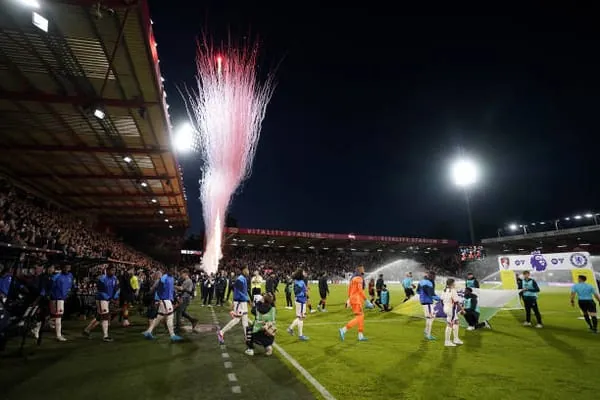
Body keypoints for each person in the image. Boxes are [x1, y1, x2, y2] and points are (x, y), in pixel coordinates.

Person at [142, 267, 183, 342]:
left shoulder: (171, 278)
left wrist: (175, 297)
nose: (174, 271)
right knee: (170, 316)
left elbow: (171, 289)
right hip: (165, 300)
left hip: (166, 299)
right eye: (172, 270)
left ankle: (149, 331)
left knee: (158, 317)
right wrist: (159, 298)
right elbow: (158, 288)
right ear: (169, 271)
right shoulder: (164, 278)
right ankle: (172, 335)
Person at [83, 266, 119, 342]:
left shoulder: (114, 278)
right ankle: (105, 336)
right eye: (112, 270)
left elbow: (116, 288)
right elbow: (100, 291)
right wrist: (109, 298)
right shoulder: (102, 279)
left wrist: (115, 297)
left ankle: (87, 330)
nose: (113, 272)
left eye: (114, 270)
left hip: (108, 299)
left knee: (99, 317)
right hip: (101, 299)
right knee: (105, 316)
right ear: (107, 270)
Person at [218, 267, 251, 344]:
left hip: (243, 302)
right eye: (247, 269)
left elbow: (243, 291)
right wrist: (246, 299)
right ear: (243, 270)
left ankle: (247, 339)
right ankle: (221, 332)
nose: (248, 271)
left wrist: (248, 299)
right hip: (240, 302)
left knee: (245, 321)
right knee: (237, 320)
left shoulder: (243, 278)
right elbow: (237, 292)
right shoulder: (240, 279)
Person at [339, 265, 370, 342]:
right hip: (356, 300)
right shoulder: (359, 278)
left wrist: (349, 300)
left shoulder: (352, 278)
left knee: (361, 316)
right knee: (360, 316)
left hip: (353, 299)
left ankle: (360, 335)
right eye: (363, 269)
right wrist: (366, 300)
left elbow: (349, 290)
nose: (364, 270)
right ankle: (344, 329)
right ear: (360, 270)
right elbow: (360, 290)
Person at [49, 264, 73, 342]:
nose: (67, 269)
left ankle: (38, 327)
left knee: (56, 316)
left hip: (62, 298)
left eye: (68, 267)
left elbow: (69, 285)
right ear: (62, 268)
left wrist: (68, 292)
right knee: (58, 316)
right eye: (65, 267)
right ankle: (58, 335)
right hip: (56, 298)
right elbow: (50, 287)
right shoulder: (56, 277)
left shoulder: (70, 275)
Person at [287, 269, 309, 341]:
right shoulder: (301, 282)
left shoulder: (296, 281)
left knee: (300, 317)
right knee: (301, 318)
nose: (304, 273)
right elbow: (301, 292)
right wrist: (305, 292)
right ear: (300, 274)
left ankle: (290, 328)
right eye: (303, 272)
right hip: (301, 300)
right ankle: (300, 335)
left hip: (298, 300)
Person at [441, 278, 463, 347]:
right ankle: (447, 341)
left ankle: (456, 339)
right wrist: (462, 309)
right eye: (454, 283)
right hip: (451, 309)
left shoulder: (444, 290)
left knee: (456, 321)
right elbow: (456, 302)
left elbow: (441, 300)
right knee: (450, 324)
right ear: (452, 284)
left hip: (446, 308)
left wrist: (445, 307)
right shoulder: (453, 290)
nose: (455, 284)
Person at [417, 271, 439, 341]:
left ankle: (426, 331)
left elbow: (417, 291)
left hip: (423, 301)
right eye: (434, 276)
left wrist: (423, 295)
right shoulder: (429, 283)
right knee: (431, 318)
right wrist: (440, 298)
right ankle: (428, 335)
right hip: (428, 302)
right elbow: (432, 295)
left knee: (429, 317)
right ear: (431, 276)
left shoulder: (421, 282)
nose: (435, 278)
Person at [175, 269, 198, 333]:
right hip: (185, 298)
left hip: (185, 298)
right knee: (182, 312)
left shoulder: (187, 281)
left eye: (182, 274)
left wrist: (173, 286)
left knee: (179, 312)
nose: (181, 275)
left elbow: (182, 288)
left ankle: (178, 328)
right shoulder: (187, 280)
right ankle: (193, 320)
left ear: (185, 274)